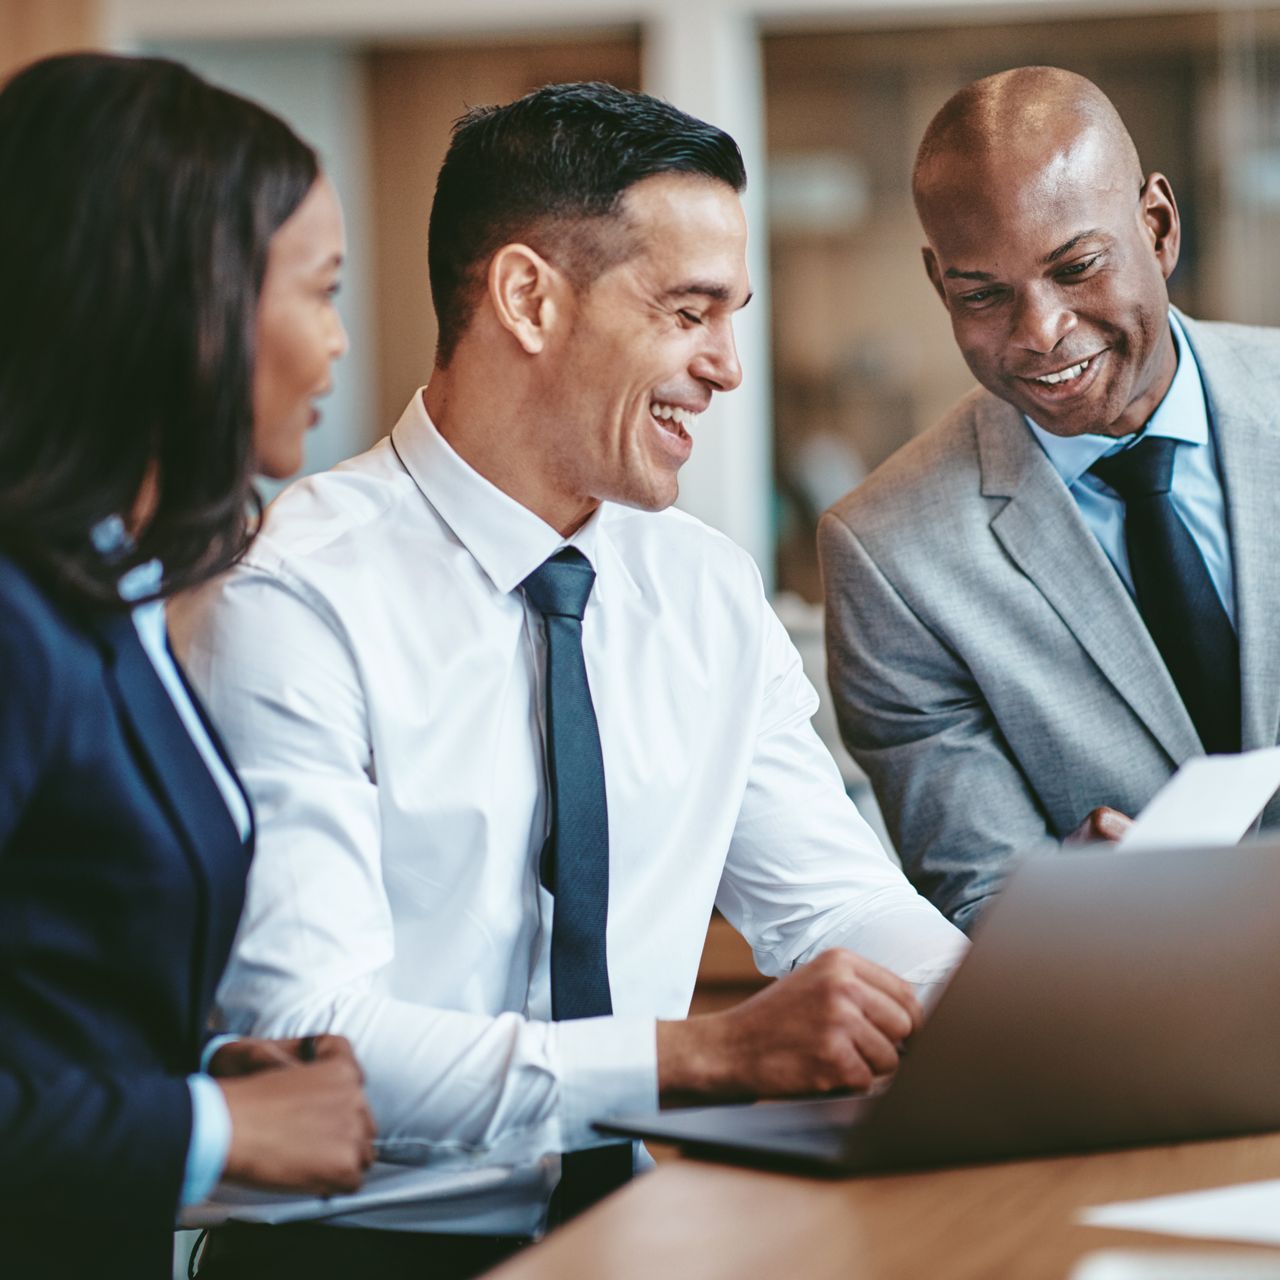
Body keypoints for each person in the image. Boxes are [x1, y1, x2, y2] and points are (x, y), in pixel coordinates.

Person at [171, 81, 968, 1279]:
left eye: (731, 315)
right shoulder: (296, 594)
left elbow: (835, 904)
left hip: (644, 1240)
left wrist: (1004, 1007)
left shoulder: (702, 588)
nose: (727, 367)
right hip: (364, 1249)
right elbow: (311, 1030)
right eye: (688, 311)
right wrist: (690, 1057)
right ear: (528, 299)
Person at [0, 52, 376, 1279]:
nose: (336, 342)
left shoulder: (101, 590)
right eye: (318, 290)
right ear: (192, 303)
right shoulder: (15, 617)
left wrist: (191, 1073)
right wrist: (216, 1125)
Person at [819, 65, 1280, 932]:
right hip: (1144, 1026)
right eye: (982, 294)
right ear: (938, 283)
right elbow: (983, 892)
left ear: (1158, 225)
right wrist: (1071, 907)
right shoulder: (888, 555)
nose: (1039, 332)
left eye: (1077, 267)